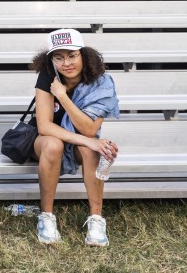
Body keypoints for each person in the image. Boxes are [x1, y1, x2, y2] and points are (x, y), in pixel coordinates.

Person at [30, 28, 120, 247]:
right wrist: (88, 140)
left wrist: (62, 96)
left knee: (92, 149)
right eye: (58, 58)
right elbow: (43, 126)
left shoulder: (101, 82)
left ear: (84, 55)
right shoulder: (48, 76)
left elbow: (89, 130)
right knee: (53, 144)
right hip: (45, 141)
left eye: (72, 56)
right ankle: (47, 217)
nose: (66, 63)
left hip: (81, 141)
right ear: (51, 60)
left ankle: (97, 219)